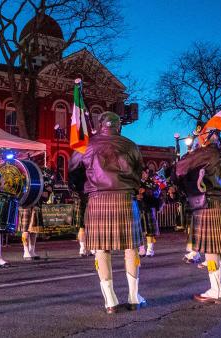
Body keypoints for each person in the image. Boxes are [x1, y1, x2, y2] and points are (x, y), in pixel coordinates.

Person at [69, 112, 146, 314]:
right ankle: (133, 297)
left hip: (97, 199)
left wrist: (85, 189)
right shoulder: (130, 145)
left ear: (99, 125)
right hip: (125, 199)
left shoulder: (86, 145)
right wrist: (132, 187)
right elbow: (139, 172)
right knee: (131, 248)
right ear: (119, 126)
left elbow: (73, 173)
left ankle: (110, 301)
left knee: (102, 250)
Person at [175, 130, 221, 302]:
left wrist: (193, 153)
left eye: (202, 135)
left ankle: (216, 290)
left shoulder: (205, 153)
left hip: (207, 202)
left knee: (211, 248)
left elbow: (180, 168)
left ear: (206, 138)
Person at [20, 183, 51, 260]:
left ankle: (31, 250)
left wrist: (48, 191)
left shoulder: (41, 179)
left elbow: (45, 198)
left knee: (34, 230)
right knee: (25, 229)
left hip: (36, 206)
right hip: (25, 205)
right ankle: (26, 251)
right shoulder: (26, 174)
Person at [138, 169, 161, 257]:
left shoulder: (151, 183)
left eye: (144, 172)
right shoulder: (135, 183)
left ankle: (150, 250)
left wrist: (146, 191)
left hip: (149, 208)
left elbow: (157, 192)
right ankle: (141, 249)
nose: (143, 174)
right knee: (139, 231)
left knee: (149, 231)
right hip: (138, 208)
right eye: (141, 172)